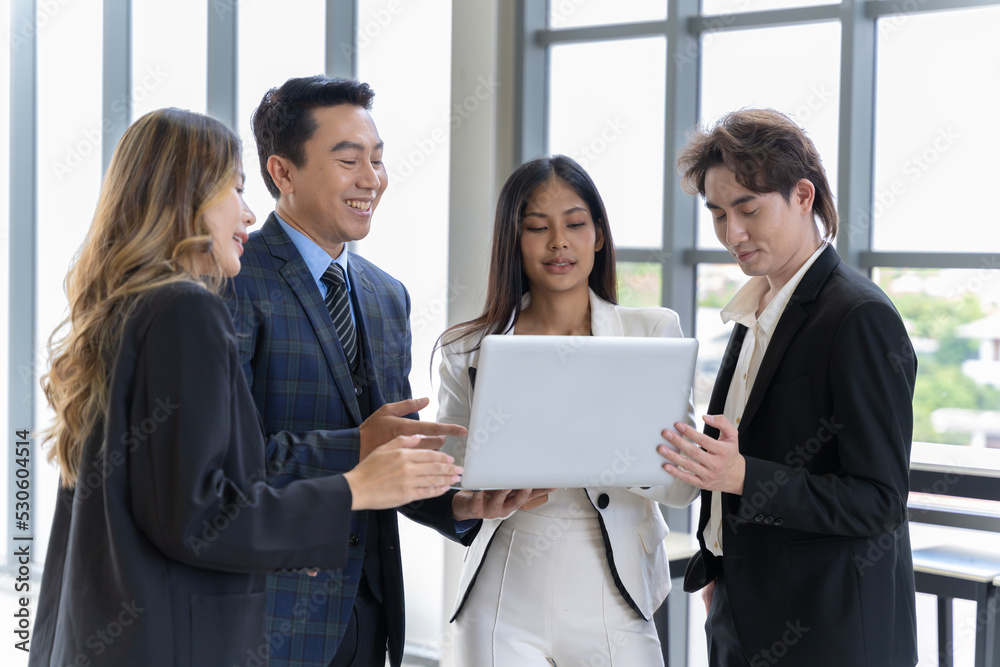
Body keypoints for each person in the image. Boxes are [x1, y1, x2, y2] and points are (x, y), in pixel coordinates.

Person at [29, 108, 460, 667]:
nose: (250, 211)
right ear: (186, 199)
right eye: (234, 188)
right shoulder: (186, 309)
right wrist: (354, 488)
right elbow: (200, 518)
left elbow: (178, 494)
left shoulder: (124, 311)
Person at [230, 75, 538, 667]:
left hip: (370, 613)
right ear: (282, 172)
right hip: (270, 615)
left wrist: (455, 506)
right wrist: (356, 445)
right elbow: (223, 461)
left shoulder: (384, 295)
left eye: (377, 159)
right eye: (349, 161)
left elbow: (393, 451)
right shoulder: (233, 284)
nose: (371, 179)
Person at [660, 108, 918, 666]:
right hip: (743, 617)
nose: (733, 234)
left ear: (803, 196)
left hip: (832, 636)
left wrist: (741, 475)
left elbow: (879, 501)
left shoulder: (858, 317)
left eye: (748, 209)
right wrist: (720, 571)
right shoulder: (757, 310)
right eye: (718, 214)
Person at [435, 155, 699, 666]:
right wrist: (478, 488)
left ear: (598, 235)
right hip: (506, 582)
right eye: (537, 227)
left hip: (616, 588)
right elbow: (449, 478)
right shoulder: (465, 349)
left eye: (575, 224)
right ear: (514, 240)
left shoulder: (652, 332)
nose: (559, 242)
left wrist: (610, 452)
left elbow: (683, 487)